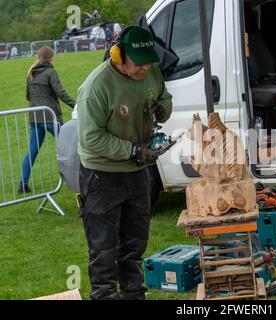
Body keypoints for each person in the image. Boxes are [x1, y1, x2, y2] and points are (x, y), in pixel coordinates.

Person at [76, 26, 172, 300]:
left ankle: (133, 295)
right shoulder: (97, 86)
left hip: (138, 172)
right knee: (104, 248)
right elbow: (91, 139)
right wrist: (133, 151)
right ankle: (104, 295)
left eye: (148, 63)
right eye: (138, 64)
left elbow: (163, 95)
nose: (145, 69)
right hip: (102, 175)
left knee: (134, 245)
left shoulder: (150, 70)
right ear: (118, 56)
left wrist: (161, 108)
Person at [19, 46, 76, 194]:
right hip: (50, 117)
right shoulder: (51, 72)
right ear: (51, 57)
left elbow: (28, 96)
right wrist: (76, 105)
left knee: (32, 151)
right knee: (68, 148)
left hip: (35, 117)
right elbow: (61, 92)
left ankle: (22, 183)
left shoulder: (31, 72)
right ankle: (74, 179)